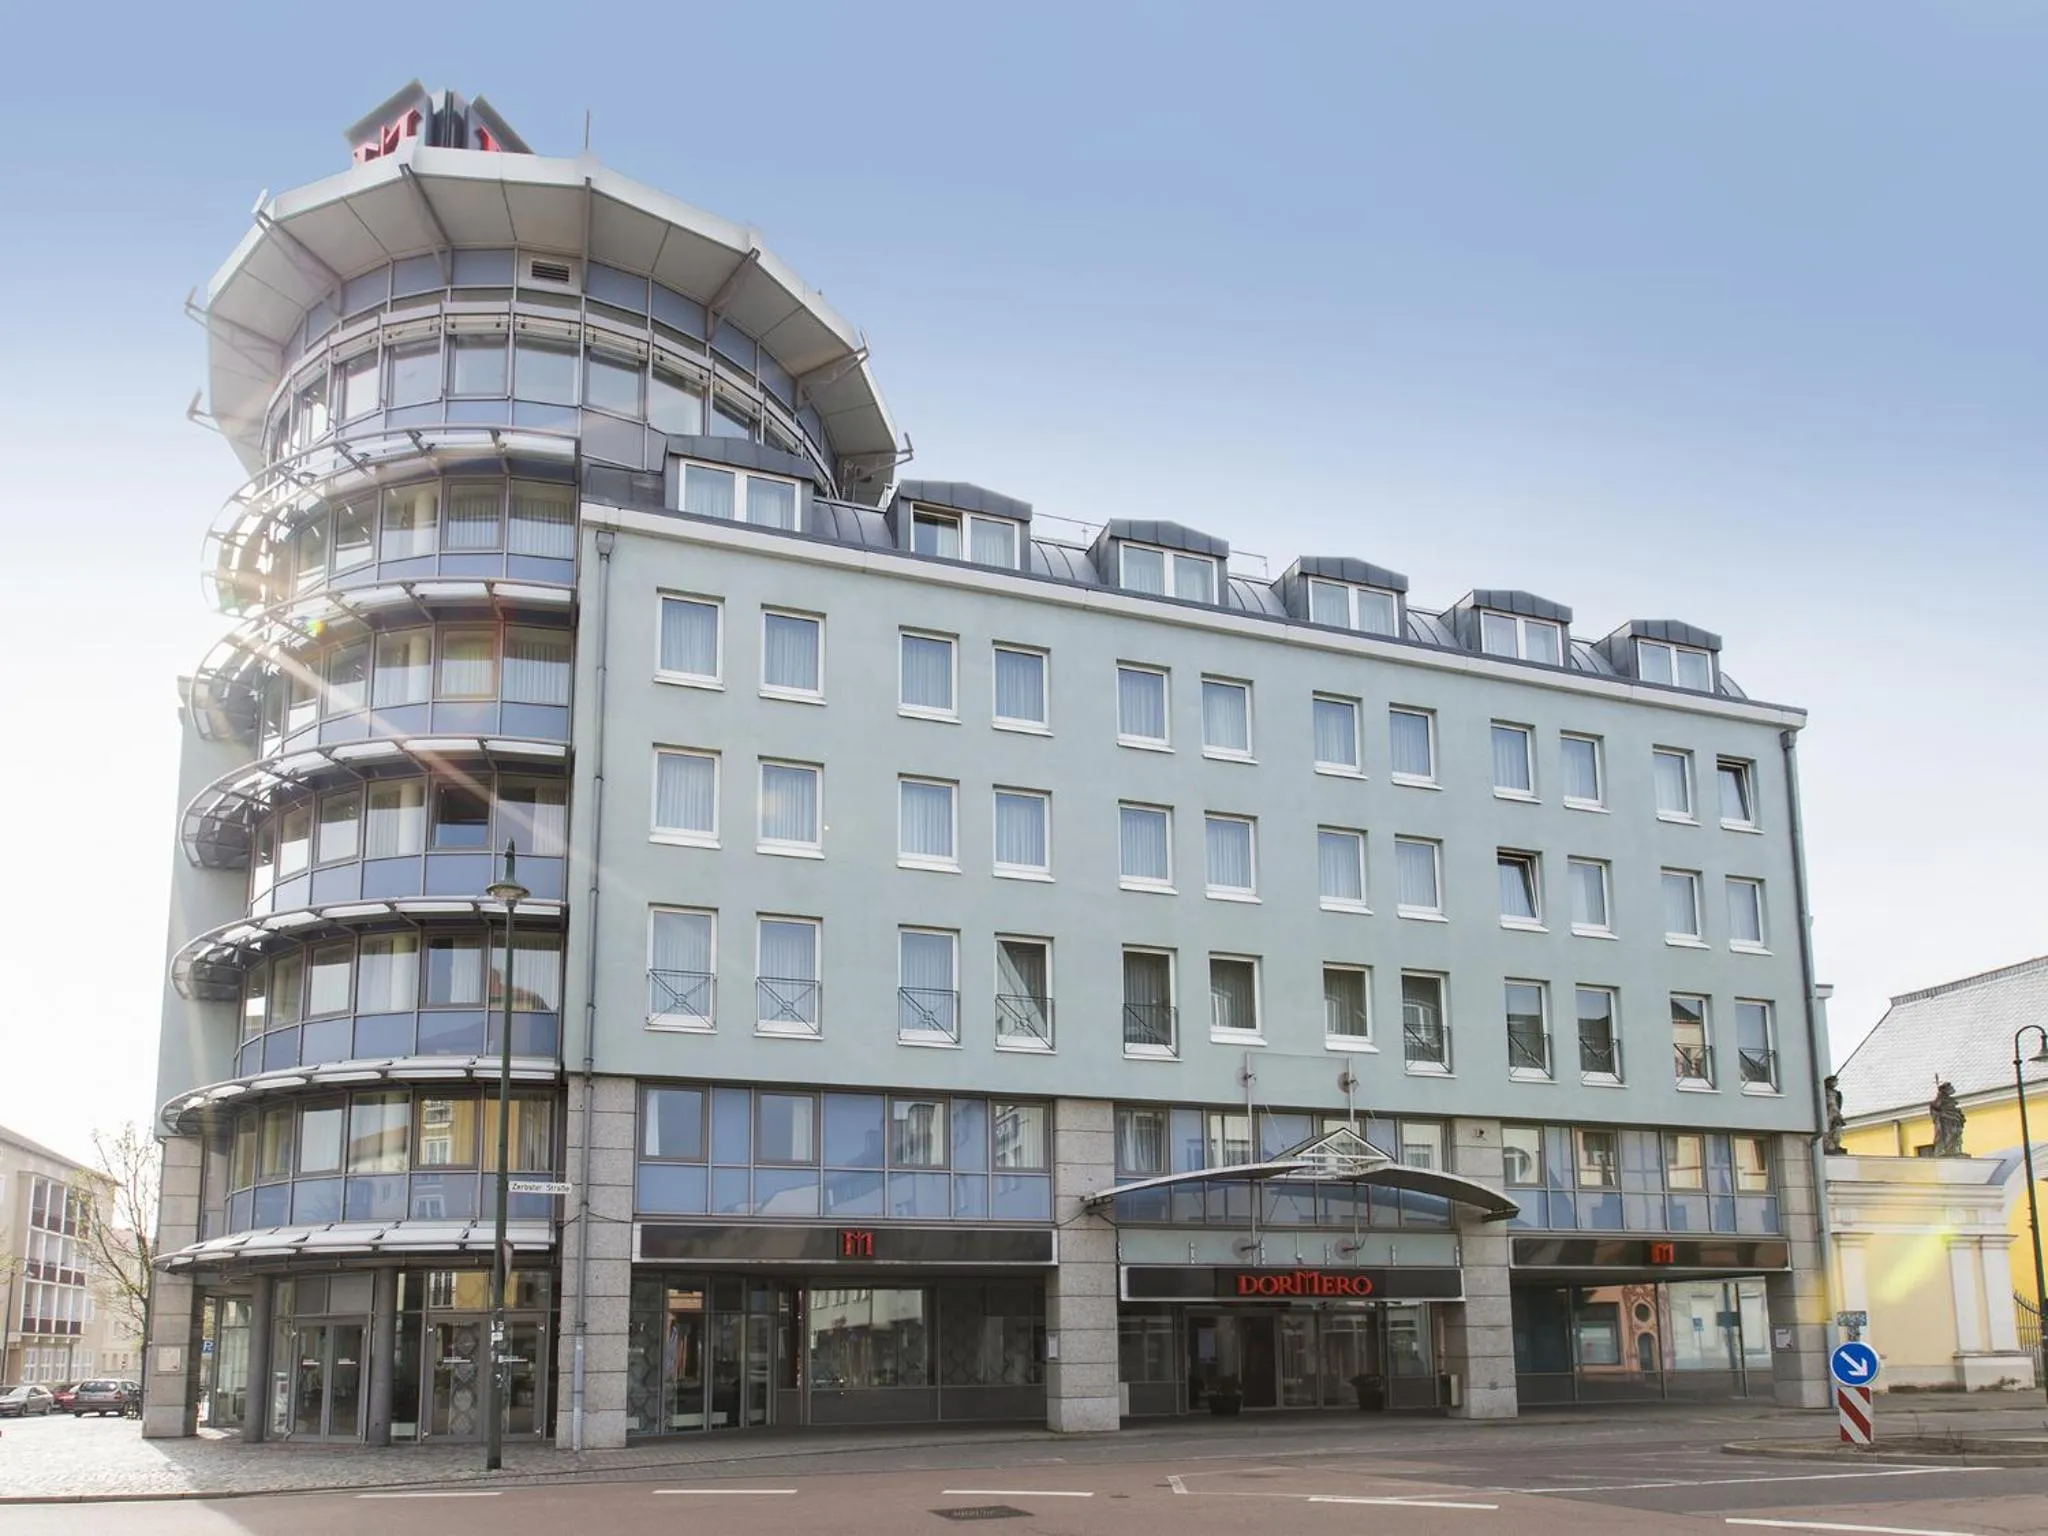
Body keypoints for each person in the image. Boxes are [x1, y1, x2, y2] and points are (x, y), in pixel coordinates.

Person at [1929, 1080, 1967, 1157]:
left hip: (1954, 1121)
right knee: (1949, 1137)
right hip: (1946, 1123)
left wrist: (1960, 1116)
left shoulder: (1950, 1100)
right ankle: (1949, 1150)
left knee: (1956, 1135)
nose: (1952, 1089)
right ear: (1945, 1090)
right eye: (1950, 1088)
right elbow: (1936, 1109)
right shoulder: (1939, 1100)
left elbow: (1956, 1110)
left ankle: (1955, 1149)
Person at [1822, 1076, 1847, 1155]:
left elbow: (1838, 1104)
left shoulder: (1836, 1093)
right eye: (1833, 1081)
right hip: (1828, 1113)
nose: (1835, 1083)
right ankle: (1828, 1145)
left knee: (1837, 1128)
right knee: (1827, 1129)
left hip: (1836, 1112)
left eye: (1836, 1081)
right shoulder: (1824, 1092)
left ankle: (1836, 1145)